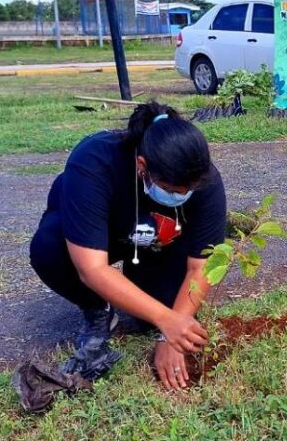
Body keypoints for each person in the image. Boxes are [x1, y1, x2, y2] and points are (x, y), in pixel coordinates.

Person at [29, 101, 227, 390]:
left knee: (150, 320)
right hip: (99, 239)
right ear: (142, 166)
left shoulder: (203, 179)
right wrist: (166, 319)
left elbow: (201, 265)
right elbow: (92, 268)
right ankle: (98, 308)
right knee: (47, 248)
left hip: (158, 243)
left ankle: (147, 300)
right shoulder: (94, 161)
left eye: (187, 192)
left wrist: (169, 332)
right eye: (171, 190)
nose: (179, 196)